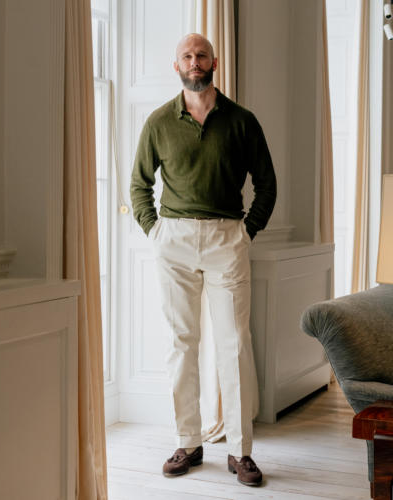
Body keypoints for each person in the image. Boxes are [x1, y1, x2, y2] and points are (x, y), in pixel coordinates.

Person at [130, 33, 276, 487]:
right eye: (187, 57)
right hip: (173, 239)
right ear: (176, 65)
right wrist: (155, 231)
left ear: (215, 62)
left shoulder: (242, 121)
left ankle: (240, 450)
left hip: (225, 238)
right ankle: (189, 442)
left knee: (234, 345)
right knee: (182, 343)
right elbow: (138, 185)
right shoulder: (158, 121)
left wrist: (245, 233)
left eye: (202, 56)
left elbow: (267, 184)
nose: (195, 62)